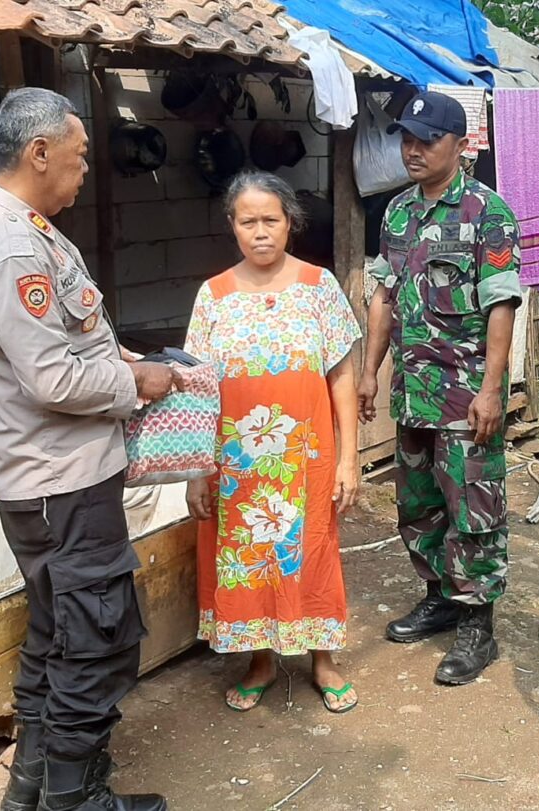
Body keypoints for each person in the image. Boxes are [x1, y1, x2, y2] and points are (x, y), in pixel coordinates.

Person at [0, 88, 178, 811]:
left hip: (48, 478)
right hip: (61, 481)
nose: (82, 174)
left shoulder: (8, 223)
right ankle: (77, 801)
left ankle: (30, 792)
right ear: (37, 152)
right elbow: (55, 377)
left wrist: (118, 354)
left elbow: (64, 344)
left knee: (57, 633)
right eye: (76, 160)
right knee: (97, 638)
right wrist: (140, 378)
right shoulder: (10, 240)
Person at [357, 91, 522, 686]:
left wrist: (491, 390)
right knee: (419, 505)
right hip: (412, 393)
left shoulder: (488, 212)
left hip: (464, 396)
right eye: (406, 137)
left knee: (473, 510)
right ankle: (440, 595)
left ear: (461, 144)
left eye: (427, 139)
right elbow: (382, 297)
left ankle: (477, 622)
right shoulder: (397, 213)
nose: (413, 148)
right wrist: (370, 370)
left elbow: (501, 304)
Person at [184, 171, 362, 714]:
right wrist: (196, 470)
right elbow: (195, 388)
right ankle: (259, 660)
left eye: (271, 220)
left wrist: (349, 459)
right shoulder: (212, 296)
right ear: (232, 227)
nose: (260, 231)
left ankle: (323, 660)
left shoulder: (318, 286)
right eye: (248, 221)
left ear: (289, 224)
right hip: (236, 463)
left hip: (303, 457)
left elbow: (342, 379)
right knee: (247, 559)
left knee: (311, 551)